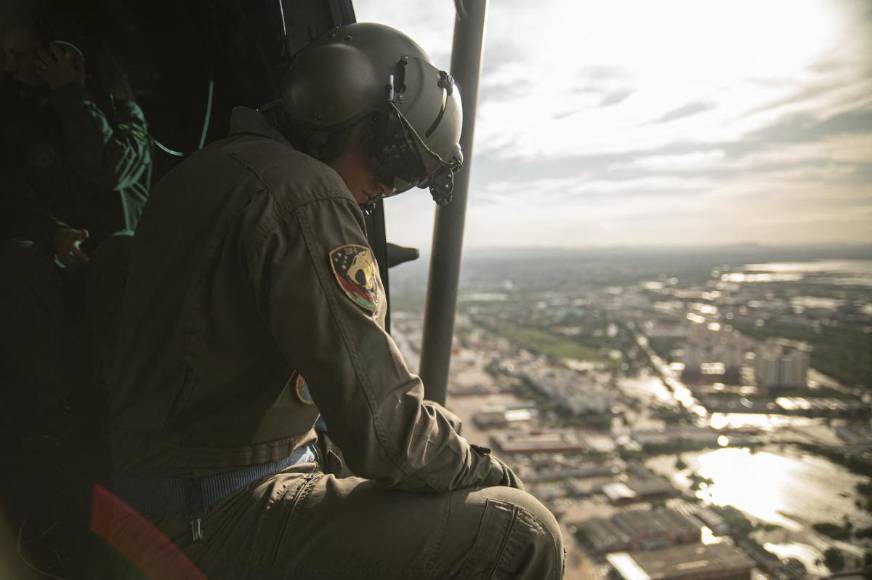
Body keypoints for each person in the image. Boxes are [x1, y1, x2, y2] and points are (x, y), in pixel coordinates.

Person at [103, 23, 564, 579]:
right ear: (335, 102)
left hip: (162, 495)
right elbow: (385, 431)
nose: (391, 188)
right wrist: (485, 472)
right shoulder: (301, 192)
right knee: (522, 533)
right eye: (392, 159)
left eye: (409, 177)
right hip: (211, 515)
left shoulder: (208, 172)